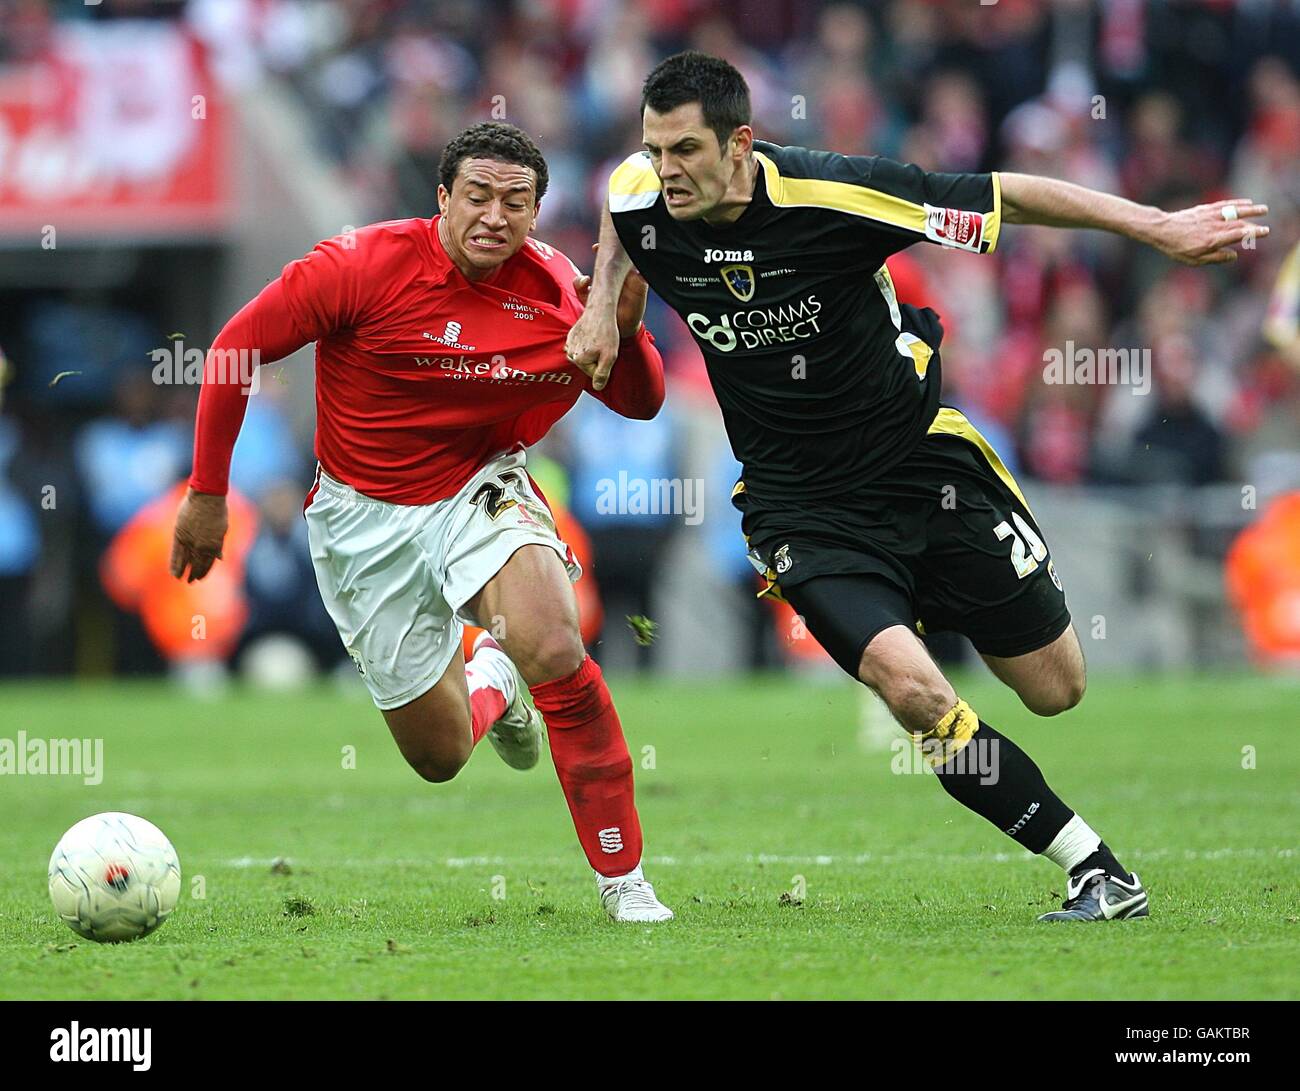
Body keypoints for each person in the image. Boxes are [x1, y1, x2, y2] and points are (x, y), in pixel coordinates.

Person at [566, 52, 1270, 923]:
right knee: (918, 694)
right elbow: (619, 203)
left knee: (1056, 687)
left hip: (920, 465)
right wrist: (604, 301)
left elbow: (1005, 196)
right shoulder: (642, 191)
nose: (666, 171)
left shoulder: (837, 194)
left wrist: (1156, 228)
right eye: (655, 149)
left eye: (686, 152)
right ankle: (1093, 867)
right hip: (799, 507)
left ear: (742, 143)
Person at [172, 122, 673, 922]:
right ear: (442, 198)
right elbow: (235, 347)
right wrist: (206, 491)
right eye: (477, 195)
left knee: (553, 642)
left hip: (480, 486)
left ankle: (625, 879)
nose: (494, 216)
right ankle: (492, 681)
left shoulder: (555, 290)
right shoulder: (358, 266)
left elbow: (640, 401)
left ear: (538, 212)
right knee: (439, 756)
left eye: (517, 201)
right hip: (360, 519)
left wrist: (624, 323)